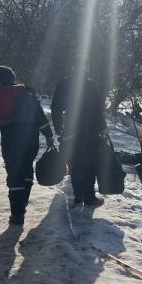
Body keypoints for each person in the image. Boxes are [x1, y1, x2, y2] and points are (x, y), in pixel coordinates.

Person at [0, 66, 54, 225]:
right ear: (13, 78)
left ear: (0, 79)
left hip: (10, 139)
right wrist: (49, 135)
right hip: (31, 138)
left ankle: (17, 214)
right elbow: (39, 115)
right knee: (27, 168)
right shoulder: (28, 92)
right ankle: (22, 202)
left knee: (14, 173)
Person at [51, 58, 108, 207]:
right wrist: (102, 126)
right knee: (90, 164)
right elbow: (98, 110)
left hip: (71, 129)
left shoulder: (63, 84)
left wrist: (58, 127)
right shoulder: (91, 85)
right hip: (91, 129)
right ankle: (89, 197)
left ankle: (78, 196)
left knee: (75, 163)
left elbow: (55, 107)